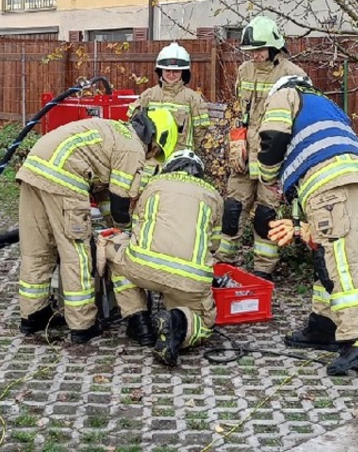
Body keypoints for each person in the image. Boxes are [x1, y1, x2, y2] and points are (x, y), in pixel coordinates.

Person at [256, 74, 358, 375]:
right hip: (349, 177)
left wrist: (267, 175)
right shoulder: (325, 104)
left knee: (339, 259)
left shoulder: (285, 95)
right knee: (326, 252)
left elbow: (273, 138)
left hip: (326, 181)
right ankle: (324, 324)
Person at [16, 109, 178, 345]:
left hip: (34, 169)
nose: (151, 156)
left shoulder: (114, 132)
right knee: (77, 254)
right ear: (155, 140)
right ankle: (82, 325)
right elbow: (120, 203)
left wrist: (111, 224)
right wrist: (125, 233)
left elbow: (104, 194)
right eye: (156, 152)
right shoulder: (133, 148)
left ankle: (34, 315)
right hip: (65, 178)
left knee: (37, 249)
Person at [96, 149, 232, 367]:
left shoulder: (153, 185)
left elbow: (135, 227)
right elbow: (214, 244)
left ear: (169, 168)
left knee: (114, 252)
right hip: (189, 280)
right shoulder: (214, 196)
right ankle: (176, 321)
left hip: (143, 268)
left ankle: (139, 321)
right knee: (204, 324)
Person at [217, 16, 308, 280]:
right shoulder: (245, 71)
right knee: (232, 210)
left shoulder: (293, 75)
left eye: (259, 49)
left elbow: (299, 120)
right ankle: (222, 264)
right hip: (244, 158)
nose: (254, 55)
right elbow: (238, 110)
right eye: (251, 51)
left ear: (274, 46)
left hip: (273, 158)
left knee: (266, 216)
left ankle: (263, 271)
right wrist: (236, 138)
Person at [128, 43, 211, 185]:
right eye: (167, 70)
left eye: (176, 71)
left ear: (184, 73)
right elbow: (133, 125)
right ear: (160, 71)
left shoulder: (193, 99)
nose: (171, 75)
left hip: (180, 163)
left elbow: (200, 133)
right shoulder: (148, 96)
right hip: (150, 163)